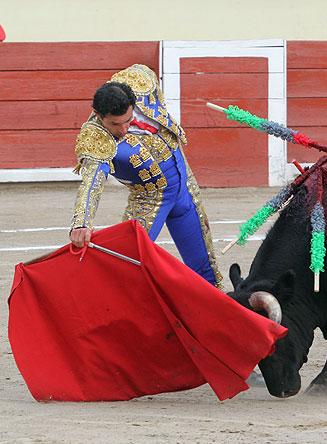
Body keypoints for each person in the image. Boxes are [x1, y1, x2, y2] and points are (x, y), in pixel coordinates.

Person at [70, 64, 222, 289]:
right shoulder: (94, 139)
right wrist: (81, 222)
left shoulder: (141, 81)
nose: (123, 130)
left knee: (204, 268)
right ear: (99, 115)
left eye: (127, 120)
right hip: (149, 200)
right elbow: (92, 182)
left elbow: (149, 78)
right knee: (126, 268)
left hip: (184, 187)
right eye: (114, 124)